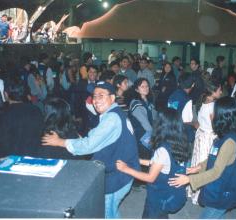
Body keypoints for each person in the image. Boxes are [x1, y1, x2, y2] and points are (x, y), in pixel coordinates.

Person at [42, 81, 140, 218]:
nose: (96, 100)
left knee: (106, 213)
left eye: (101, 95)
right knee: (112, 210)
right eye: (94, 96)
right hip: (123, 170)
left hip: (118, 176)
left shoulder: (111, 119)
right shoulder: (116, 113)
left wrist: (60, 142)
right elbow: (100, 138)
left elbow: (88, 145)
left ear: (112, 98)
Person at [168, 96, 236, 219]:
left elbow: (216, 171)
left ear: (224, 116)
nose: (211, 115)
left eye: (214, 112)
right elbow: (214, 158)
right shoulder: (224, 135)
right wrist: (197, 168)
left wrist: (189, 180)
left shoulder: (229, 142)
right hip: (219, 189)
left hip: (224, 191)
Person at [116, 108, 189, 218]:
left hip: (159, 196)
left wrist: (125, 168)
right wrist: (138, 161)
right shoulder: (180, 142)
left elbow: (150, 177)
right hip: (172, 194)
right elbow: (162, 164)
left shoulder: (162, 150)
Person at [188, 80, 222, 204]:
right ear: (213, 92)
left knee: (198, 162)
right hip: (208, 138)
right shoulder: (213, 106)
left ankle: (194, 190)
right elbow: (215, 125)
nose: (221, 92)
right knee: (206, 165)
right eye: (219, 90)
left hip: (201, 136)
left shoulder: (203, 102)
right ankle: (202, 194)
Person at [127, 78, 156, 160]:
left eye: (147, 86)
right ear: (136, 89)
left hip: (148, 133)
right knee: (145, 157)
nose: (146, 88)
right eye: (142, 86)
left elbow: (154, 115)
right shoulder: (136, 104)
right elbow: (145, 124)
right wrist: (154, 136)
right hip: (142, 135)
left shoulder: (147, 100)